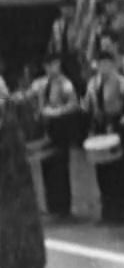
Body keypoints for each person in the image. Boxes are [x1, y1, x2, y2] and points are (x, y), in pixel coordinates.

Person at [84, 51, 124, 225]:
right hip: (100, 125)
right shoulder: (93, 83)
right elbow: (88, 104)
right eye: (101, 64)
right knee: (102, 170)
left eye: (107, 64)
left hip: (117, 124)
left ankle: (118, 213)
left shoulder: (122, 83)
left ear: (113, 65)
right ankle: (106, 211)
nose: (103, 67)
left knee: (118, 170)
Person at [30, 54, 81, 219]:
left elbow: (74, 105)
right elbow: (27, 96)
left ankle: (63, 208)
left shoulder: (65, 84)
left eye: (56, 65)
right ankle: (51, 205)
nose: (53, 68)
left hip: (60, 127)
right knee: (47, 167)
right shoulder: (40, 83)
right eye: (50, 65)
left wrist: (58, 112)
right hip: (45, 127)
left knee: (60, 168)